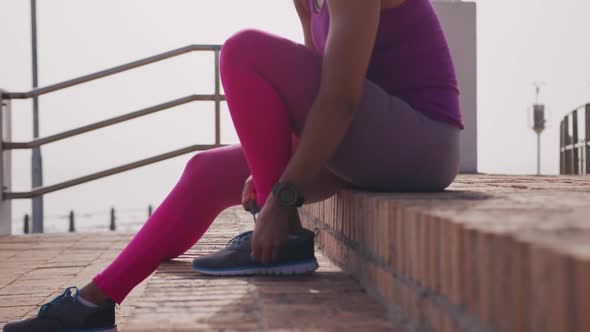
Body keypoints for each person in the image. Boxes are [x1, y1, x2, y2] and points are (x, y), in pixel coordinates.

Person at [3, 0, 462, 331]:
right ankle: (93, 304)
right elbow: (314, 91)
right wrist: (277, 163)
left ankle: (288, 240)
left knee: (243, 50)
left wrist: (281, 198)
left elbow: (340, 97)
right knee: (206, 171)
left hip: (418, 141)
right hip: (369, 140)